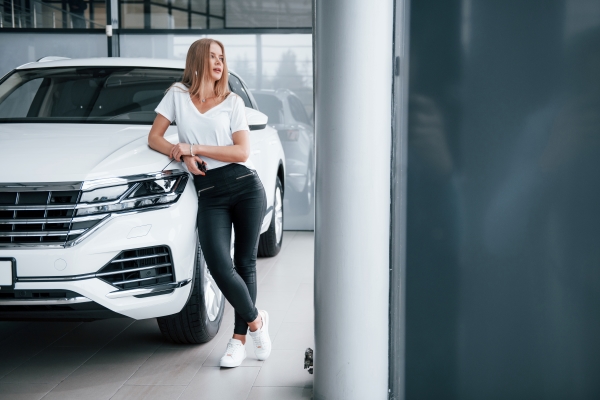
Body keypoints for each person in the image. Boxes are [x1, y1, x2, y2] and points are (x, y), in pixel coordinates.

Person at [148, 38, 271, 368]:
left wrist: (194, 148)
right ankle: (257, 321)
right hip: (210, 193)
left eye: (221, 57)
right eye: (212, 56)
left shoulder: (232, 102)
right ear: (198, 60)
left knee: (244, 264)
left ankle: (239, 340)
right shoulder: (177, 95)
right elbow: (155, 137)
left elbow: (241, 152)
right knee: (219, 265)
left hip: (246, 186)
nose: (218, 62)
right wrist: (179, 152)